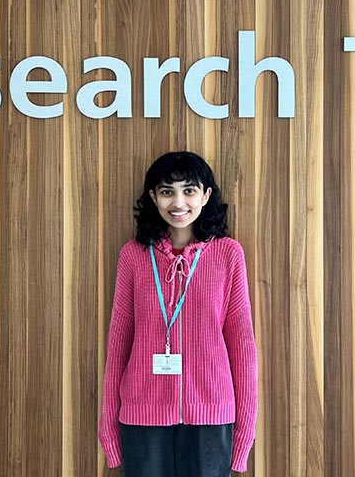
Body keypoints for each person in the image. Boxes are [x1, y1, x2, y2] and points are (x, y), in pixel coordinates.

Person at [98, 151, 258, 476]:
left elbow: (243, 350)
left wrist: (243, 437)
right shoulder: (134, 256)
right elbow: (118, 346)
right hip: (143, 419)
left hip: (212, 420)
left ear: (206, 195)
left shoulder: (228, 254)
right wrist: (109, 434)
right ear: (154, 198)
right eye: (167, 191)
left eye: (189, 190)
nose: (178, 202)